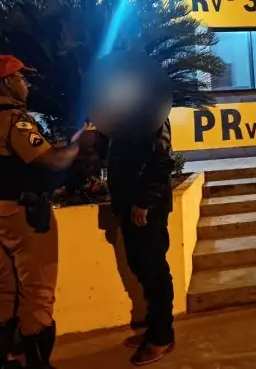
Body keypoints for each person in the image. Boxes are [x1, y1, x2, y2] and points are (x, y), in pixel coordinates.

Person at [0, 55, 88, 369]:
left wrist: (60, 145)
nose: (27, 84)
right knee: (38, 291)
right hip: (25, 215)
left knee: (1, 288)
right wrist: (78, 146)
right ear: (8, 82)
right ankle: (38, 364)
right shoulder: (12, 119)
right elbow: (51, 161)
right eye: (23, 78)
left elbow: (15, 156)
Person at [107, 118, 176, 366]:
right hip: (130, 204)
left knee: (153, 269)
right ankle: (154, 328)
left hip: (147, 208)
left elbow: (162, 160)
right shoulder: (127, 113)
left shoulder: (152, 112)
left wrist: (145, 200)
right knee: (140, 266)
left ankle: (161, 336)